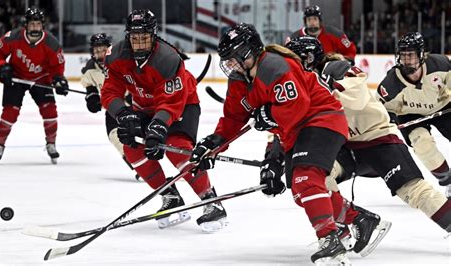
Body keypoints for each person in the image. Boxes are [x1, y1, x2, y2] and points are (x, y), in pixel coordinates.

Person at [190, 23, 377, 265]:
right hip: (295, 132)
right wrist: (213, 143)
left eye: (235, 58)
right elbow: (234, 118)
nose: (231, 65)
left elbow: (297, 105)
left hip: (321, 118)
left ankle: (329, 239)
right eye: (228, 61)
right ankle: (357, 219)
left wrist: (269, 114)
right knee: (300, 191)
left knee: (306, 179)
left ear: (250, 50)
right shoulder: (239, 80)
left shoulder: (274, 66)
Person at [287, 36, 451, 236]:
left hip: (377, 139)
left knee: (414, 191)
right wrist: (274, 157)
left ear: (309, 59)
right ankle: (354, 224)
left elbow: (355, 101)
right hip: (344, 148)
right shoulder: (297, 89)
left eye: (292, 61)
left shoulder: (337, 68)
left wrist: (322, 87)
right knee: (314, 179)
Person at [100, 9, 227, 233]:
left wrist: (158, 127)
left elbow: (171, 103)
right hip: (144, 107)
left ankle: (211, 200)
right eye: (135, 38)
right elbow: (110, 92)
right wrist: (123, 113)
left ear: (154, 35)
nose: (139, 44)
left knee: (176, 148)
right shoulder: (117, 55)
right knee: (131, 147)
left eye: (144, 38)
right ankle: (171, 197)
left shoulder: (168, 58)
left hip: (182, 104)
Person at [376, 32, 451, 198]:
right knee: (422, 145)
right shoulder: (390, 84)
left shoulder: (441, 64)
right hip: (411, 116)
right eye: (403, 56)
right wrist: (391, 119)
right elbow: (380, 109)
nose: (406, 60)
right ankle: (449, 182)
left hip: (444, 107)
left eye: (411, 55)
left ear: (422, 55)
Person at [0, 7, 69, 165]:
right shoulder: (13, 37)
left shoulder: (51, 43)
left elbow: (57, 67)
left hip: (41, 79)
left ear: (43, 26)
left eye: (38, 24)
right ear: (26, 25)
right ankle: (0, 144)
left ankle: (51, 144)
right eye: (32, 24)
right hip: (16, 78)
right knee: (10, 113)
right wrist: (2, 66)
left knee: (50, 111)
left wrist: (59, 80)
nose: (35, 28)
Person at [81, 33, 141, 180]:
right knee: (115, 136)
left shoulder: (121, 60)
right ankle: (139, 165)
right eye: (96, 51)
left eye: (103, 50)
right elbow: (89, 86)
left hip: (136, 105)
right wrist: (92, 96)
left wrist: (132, 93)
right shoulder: (90, 68)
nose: (100, 54)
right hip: (114, 107)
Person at [289, 5, 356, 64]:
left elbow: (350, 50)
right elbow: (288, 56)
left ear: (320, 20)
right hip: (306, 75)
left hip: (331, 73)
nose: (312, 22)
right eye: (309, 19)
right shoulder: (295, 37)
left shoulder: (335, 34)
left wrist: (345, 61)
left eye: (315, 19)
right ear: (305, 22)